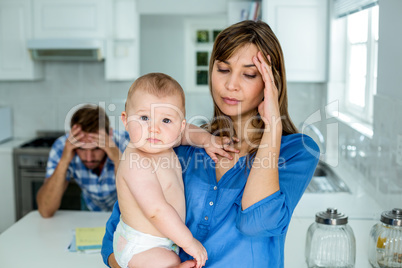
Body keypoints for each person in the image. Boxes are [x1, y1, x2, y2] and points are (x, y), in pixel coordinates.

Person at [102, 20, 320, 268]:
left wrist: (273, 128)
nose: (231, 85)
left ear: (271, 82)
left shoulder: (297, 151)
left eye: (249, 74)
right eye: (223, 69)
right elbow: (115, 237)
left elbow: (258, 223)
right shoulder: (174, 142)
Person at [114, 73, 237, 268]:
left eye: (166, 121)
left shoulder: (164, 142)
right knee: (168, 261)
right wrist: (189, 242)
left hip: (159, 240)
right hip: (142, 245)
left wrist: (207, 140)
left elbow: (187, 132)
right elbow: (156, 210)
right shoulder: (136, 161)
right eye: (144, 117)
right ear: (126, 120)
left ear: (179, 126)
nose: (154, 128)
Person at [36, 105, 129, 218]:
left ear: (109, 134)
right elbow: (45, 210)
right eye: (81, 149)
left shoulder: (127, 143)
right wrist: (64, 161)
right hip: (90, 208)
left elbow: (138, 198)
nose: (89, 158)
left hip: (127, 210)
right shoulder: (63, 147)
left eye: (96, 148)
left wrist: (116, 156)